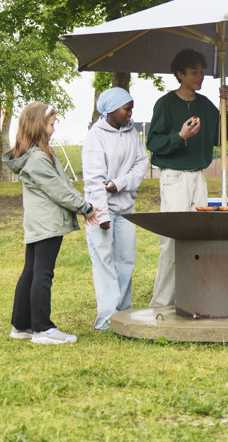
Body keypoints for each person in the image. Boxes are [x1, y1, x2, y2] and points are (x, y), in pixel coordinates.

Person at [3, 102, 100, 345]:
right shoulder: (37, 158)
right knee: (43, 273)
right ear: (38, 126)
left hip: (40, 222)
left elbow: (61, 186)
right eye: (51, 125)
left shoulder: (37, 154)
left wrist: (83, 205)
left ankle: (21, 325)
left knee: (31, 271)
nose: (54, 129)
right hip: (47, 223)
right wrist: (86, 208)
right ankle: (42, 329)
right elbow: (59, 190)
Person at [145, 48, 228, 308]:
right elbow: (153, 143)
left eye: (202, 71)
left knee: (199, 238)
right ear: (180, 74)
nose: (200, 76)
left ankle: (193, 299)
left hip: (198, 178)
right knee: (172, 241)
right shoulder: (165, 104)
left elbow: (220, 138)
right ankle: (161, 304)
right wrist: (179, 137)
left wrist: (227, 109)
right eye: (194, 72)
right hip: (174, 178)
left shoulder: (205, 104)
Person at [82, 87, 149, 331]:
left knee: (126, 262)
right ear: (110, 110)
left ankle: (123, 315)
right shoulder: (95, 136)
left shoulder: (132, 133)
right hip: (101, 210)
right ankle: (107, 319)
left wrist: (119, 183)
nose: (130, 113)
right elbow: (94, 180)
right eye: (126, 109)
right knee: (104, 262)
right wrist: (102, 216)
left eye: (131, 108)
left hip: (126, 209)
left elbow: (141, 164)